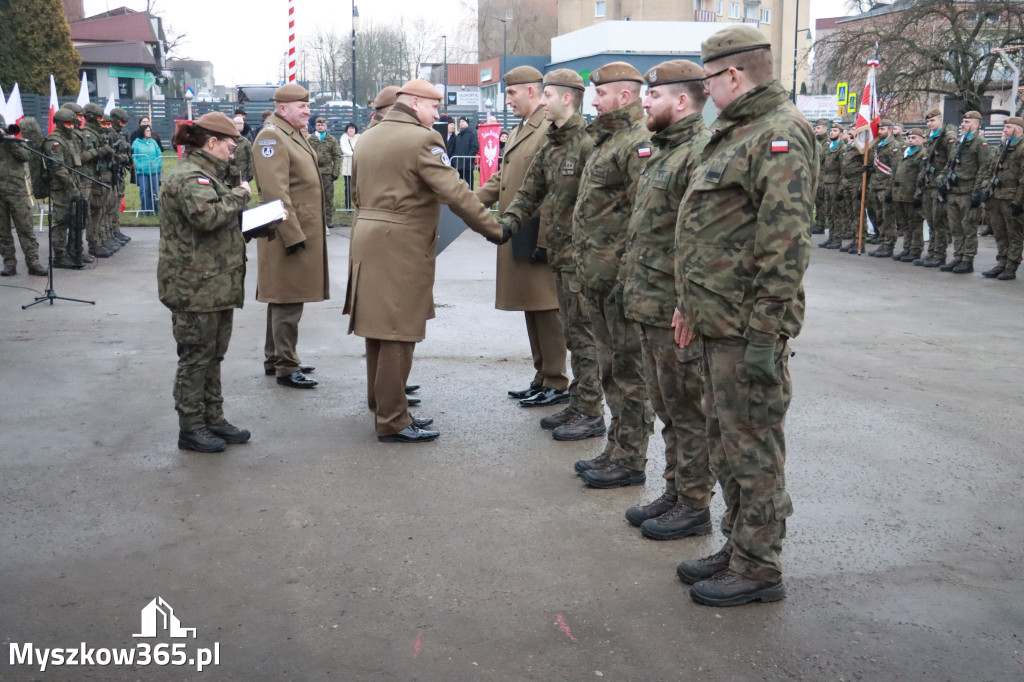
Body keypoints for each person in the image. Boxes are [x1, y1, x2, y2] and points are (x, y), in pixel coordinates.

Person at [674, 25, 815, 606]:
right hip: (716, 320)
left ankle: (759, 567)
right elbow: (710, 231)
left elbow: (784, 246)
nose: (705, 90)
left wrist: (764, 335)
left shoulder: (778, 133)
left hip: (745, 328)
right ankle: (738, 546)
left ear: (733, 74)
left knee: (753, 449)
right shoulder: (736, 131)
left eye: (708, 79)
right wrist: (689, 304)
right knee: (726, 445)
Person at [344, 79, 506, 443]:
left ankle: (382, 403)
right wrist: (494, 228)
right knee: (400, 331)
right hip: (401, 244)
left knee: (378, 329)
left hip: (367, 238)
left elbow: (355, 193)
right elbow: (455, 192)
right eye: (434, 107)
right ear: (415, 103)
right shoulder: (423, 140)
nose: (437, 115)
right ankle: (393, 419)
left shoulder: (367, 137)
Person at [618, 60, 716, 539]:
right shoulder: (664, 151)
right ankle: (676, 490)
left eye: (653, 96)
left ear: (681, 101)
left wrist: (688, 302)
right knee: (668, 410)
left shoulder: (697, 152)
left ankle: (695, 504)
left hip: (673, 308)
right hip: (648, 301)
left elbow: (700, 239)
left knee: (688, 412)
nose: (645, 102)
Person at [499, 69, 605, 440]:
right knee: (573, 335)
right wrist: (506, 225)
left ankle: (591, 412)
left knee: (585, 339)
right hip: (562, 257)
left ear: (566, 98)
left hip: (583, 258)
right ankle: (578, 403)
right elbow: (530, 192)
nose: (542, 101)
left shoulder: (589, 143)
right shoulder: (554, 144)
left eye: (548, 95)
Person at [568, 61, 654, 489]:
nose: (594, 100)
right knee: (610, 368)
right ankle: (616, 448)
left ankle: (631, 457)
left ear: (625, 96)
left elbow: (644, 216)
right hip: (597, 278)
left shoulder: (638, 141)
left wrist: (627, 276)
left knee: (629, 373)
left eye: (600, 93)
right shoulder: (606, 139)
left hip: (620, 281)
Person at [157, 112, 256, 453]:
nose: (232, 152)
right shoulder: (190, 177)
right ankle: (191, 427)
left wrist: (255, 226)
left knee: (213, 356)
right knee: (196, 358)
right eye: (230, 146)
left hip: (214, 283)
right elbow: (207, 217)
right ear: (212, 142)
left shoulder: (208, 176)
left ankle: (213, 418)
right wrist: (241, 195)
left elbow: (219, 224)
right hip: (194, 285)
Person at [475, 66, 569, 409]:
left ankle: (557, 380)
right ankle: (542, 375)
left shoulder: (548, 128)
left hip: (538, 233)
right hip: (520, 230)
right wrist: (467, 202)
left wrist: (545, 241)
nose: (507, 100)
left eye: (512, 93)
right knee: (532, 306)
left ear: (532, 91)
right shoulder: (521, 129)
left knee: (547, 309)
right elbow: (502, 178)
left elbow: (555, 191)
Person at [251, 83, 329, 389]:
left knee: (283, 297)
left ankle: (277, 358)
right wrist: (292, 235)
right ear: (282, 108)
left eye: (308, 106)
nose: (308, 111)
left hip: (295, 229)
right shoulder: (272, 136)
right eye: (302, 106)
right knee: (287, 299)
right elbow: (275, 193)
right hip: (285, 232)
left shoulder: (290, 134)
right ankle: (286, 365)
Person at [939, 110, 992, 274]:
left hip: (968, 192)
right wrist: (942, 180)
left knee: (968, 228)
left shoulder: (980, 143)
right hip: (953, 191)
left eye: (967, 122)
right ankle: (958, 256)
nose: (963, 124)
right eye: (963, 122)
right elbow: (950, 164)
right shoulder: (958, 142)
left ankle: (967, 260)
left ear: (976, 124)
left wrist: (977, 192)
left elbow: (984, 168)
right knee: (955, 227)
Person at [0, 115, 46, 276]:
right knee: (2, 231)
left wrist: (9, 141)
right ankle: (9, 263)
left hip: (17, 191)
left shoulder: (15, 142)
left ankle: (33, 262)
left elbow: (26, 156)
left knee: (25, 228)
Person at [979, 116, 1024, 280]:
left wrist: (1018, 202)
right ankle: (1001, 262)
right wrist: (985, 187)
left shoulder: (1021, 148)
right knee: (999, 232)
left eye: (1008, 127)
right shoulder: (1002, 147)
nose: (1004, 130)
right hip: (996, 196)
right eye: (1005, 127)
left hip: (1011, 198)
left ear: (1019, 129)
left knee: (1014, 234)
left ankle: (1011, 266)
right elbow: (991, 170)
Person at [915, 108, 956, 267]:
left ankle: (939, 255)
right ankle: (931, 252)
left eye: (932, 120)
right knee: (931, 221)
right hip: (928, 184)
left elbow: (951, 162)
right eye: (927, 121)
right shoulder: (931, 138)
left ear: (940, 120)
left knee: (940, 223)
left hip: (938, 186)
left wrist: (943, 182)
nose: (930, 124)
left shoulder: (947, 138)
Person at [81, 103, 117, 259]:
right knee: (91, 212)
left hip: (100, 176)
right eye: (99, 118)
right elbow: (82, 157)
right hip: (91, 178)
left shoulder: (98, 134)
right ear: (91, 117)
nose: (102, 121)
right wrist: (101, 151)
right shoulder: (86, 134)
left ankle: (97, 240)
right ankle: (92, 243)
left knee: (100, 209)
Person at [888, 127, 927, 262]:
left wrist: (918, 195)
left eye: (914, 138)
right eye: (909, 138)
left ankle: (915, 250)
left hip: (912, 194)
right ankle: (907, 248)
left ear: (922, 139)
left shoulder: (922, 154)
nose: (910, 140)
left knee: (915, 224)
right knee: (904, 224)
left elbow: (922, 176)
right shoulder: (904, 152)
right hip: (900, 194)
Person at [867, 120, 903, 258]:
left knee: (887, 217)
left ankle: (889, 244)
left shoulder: (894, 146)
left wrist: (890, 189)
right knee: (879, 216)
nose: (879, 131)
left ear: (890, 130)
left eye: (883, 129)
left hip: (886, 187)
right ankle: (882, 241)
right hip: (876, 185)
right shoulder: (879, 145)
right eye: (879, 129)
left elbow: (896, 169)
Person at [308, 117, 342, 230]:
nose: (320, 127)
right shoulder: (310, 139)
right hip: (314, 171)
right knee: (313, 196)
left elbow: (337, 156)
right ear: (315, 126)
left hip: (327, 172)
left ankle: (328, 220)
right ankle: (315, 219)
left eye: (322, 125)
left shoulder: (331, 139)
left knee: (328, 197)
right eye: (318, 125)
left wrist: (335, 172)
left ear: (326, 126)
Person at [107, 107, 133, 246]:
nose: (122, 125)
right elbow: (112, 155)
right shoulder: (109, 134)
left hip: (119, 173)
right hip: (111, 173)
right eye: (121, 122)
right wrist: (123, 157)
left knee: (116, 203)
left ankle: (115, 230)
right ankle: (109, 233)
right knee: (109, 206)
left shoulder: (120, 135)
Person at [817, 123, 844, 248]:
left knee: (836, 212)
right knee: (829, 211)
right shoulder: (828, 147)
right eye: (831, 130)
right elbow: (821, 163)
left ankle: (837, 239)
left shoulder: (842, 148)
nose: (832, 132)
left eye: (835, 131)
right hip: (827, 182)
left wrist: (841, 188)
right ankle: (831, 237)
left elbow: (843, 170)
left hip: (836, 182)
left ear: (841, 134)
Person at [131, 125, 163, 215]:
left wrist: (159, 164)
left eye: (150, 130)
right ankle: (146, 210)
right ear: (143, 132)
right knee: (144, 190)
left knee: (155, 190)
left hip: (154, 170)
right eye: (147, 131)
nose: (150, 132)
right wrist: (139, 166)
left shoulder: (153, 142)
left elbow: (159, 153)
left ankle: (156, 210)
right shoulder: (136, 143)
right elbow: (133, 156)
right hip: (142, 172)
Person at [811, 117, 831, 234]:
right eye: (816, 128)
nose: (816, 130)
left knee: (821, 201)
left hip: (822, 176)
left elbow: (821, 156)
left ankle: (821, 224)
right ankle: (817, 222)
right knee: (815, 200)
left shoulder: (827, 142)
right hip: (815, 174)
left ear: (825, 128)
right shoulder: (815, 140)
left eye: (818, 128)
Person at [227, 115, 254, 188]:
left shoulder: (245, 141)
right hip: (228, 173)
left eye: (241, 123)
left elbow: (250, 158)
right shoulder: (227, 140)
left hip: (242, 173)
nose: (239, 125)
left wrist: (250, 174)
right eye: (237, 123)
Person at [452, 117, 479, 187]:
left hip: (468, 165)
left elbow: (475, 148)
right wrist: (455, 161)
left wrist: (467, 159)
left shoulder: (472, 133)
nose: (461, 123)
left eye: (463, 121)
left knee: (469, 185)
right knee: (458, 186)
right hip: (458, 164)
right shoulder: (458, 136)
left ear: (467, 123)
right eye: (460, 122)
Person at [339, 122, 359, 209]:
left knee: (358, 187)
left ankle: (358, 205)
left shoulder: (359, 137)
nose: (351, 130)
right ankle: (348, 206)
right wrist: (354, 155)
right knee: (348, 187)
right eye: (350, 128)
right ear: (347, 130)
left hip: (357, 166)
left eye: (353, 128)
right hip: (348, 166)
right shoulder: (344, 138)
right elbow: (344, 149)